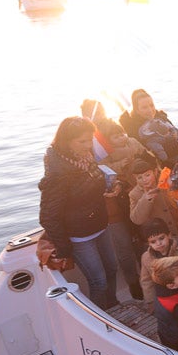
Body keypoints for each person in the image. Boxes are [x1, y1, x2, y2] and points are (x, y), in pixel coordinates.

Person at [38, 117, 119, 310]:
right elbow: (48, 216)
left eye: (89, 139)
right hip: (80, 237)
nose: (88, 145)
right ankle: (102, 317)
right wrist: (65, 248)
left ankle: (114, 306)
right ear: (67, 142)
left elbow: (92, 188)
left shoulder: (86, 160)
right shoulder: (58, 175)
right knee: (98, 281)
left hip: (100, 225)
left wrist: (112, 186)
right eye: (82, 141)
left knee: (112, 269)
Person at [119, 89, 178, 166]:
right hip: (160, 163)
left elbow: (176, 132)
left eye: (151, 105)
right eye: (144, 107)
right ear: (137, 110)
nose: (150, 110)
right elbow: (150, 151)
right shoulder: (136, 130)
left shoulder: (160, 118)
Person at [139, 218, 178, 306]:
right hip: (164, 296)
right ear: (148, 244)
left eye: (161, 238)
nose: (158, 243)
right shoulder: (146, 258)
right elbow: (146, 281)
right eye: (153, 241)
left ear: (169, 235)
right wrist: (151, 301)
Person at [128, 157, 178, 237]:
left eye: (147, 175)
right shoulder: (134, 194)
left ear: (155, 172)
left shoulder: (166, 181)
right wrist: (145, 200)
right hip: (161, 237)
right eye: (139, 177)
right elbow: (137, 220)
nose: (144, 180)